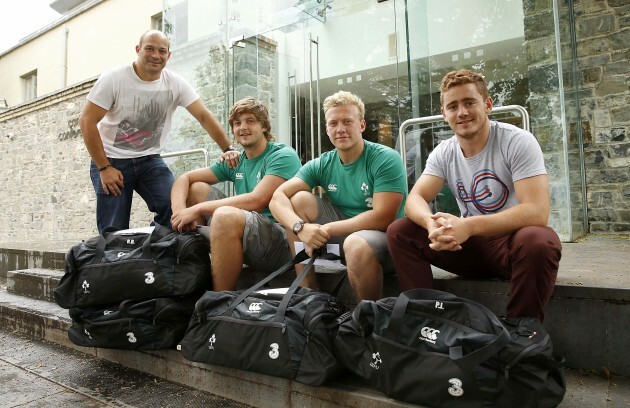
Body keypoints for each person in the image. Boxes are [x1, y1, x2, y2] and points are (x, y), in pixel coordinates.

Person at [386, 69, 561, 321]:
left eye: (469, 103)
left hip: (510, 248)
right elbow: (415, 199)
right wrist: (430, 223)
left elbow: (536, 211)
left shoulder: (517, 141)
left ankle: (523, 332)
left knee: (540, 239)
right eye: (453, 106)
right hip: (465, 248)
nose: (462, 112)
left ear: (487, 104)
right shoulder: (443, 152)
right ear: (444, 113)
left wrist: (468, 225)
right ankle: (425, 322)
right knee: (400, 231)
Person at [79, 29, 237, 232]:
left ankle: (159, 252)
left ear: (168, 55)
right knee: (114, 229)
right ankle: (119, 260)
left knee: (174, 208)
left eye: (162, 51)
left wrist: (227, 148)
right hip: (111, 160)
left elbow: (203, 116)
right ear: (138, 50)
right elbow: (86, 121)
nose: (156, 55)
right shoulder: (114, 79)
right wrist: (103, 167)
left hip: (149, 160)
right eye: (150, 49)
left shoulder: (175, 83)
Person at [269, 91, 407, 301]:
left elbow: (383, 217)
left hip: (386, 244)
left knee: (356, 244)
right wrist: (301, 228)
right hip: (343, 240)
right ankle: (308, 295)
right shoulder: (323, 163)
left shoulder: (385, 158)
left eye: (347, 122)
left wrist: (327, 229)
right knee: (298, 200)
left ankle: (368, 317)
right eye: (333, 123)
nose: (340, 129)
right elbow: (277, 197)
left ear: (361, 125)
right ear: (327, 129)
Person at [170, 97, 301, 291]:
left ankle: (220, 300)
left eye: (250, 121)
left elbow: (257, 200)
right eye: (237, 123)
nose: (243, 127)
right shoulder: (236, 160)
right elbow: (184, 179)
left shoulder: (282, 155)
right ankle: (195, 270)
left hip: (281, 240)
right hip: (250, 230)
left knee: (225, 215)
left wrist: (197, 209)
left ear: (264, 126)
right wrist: (180, 213)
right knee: (196, 188)